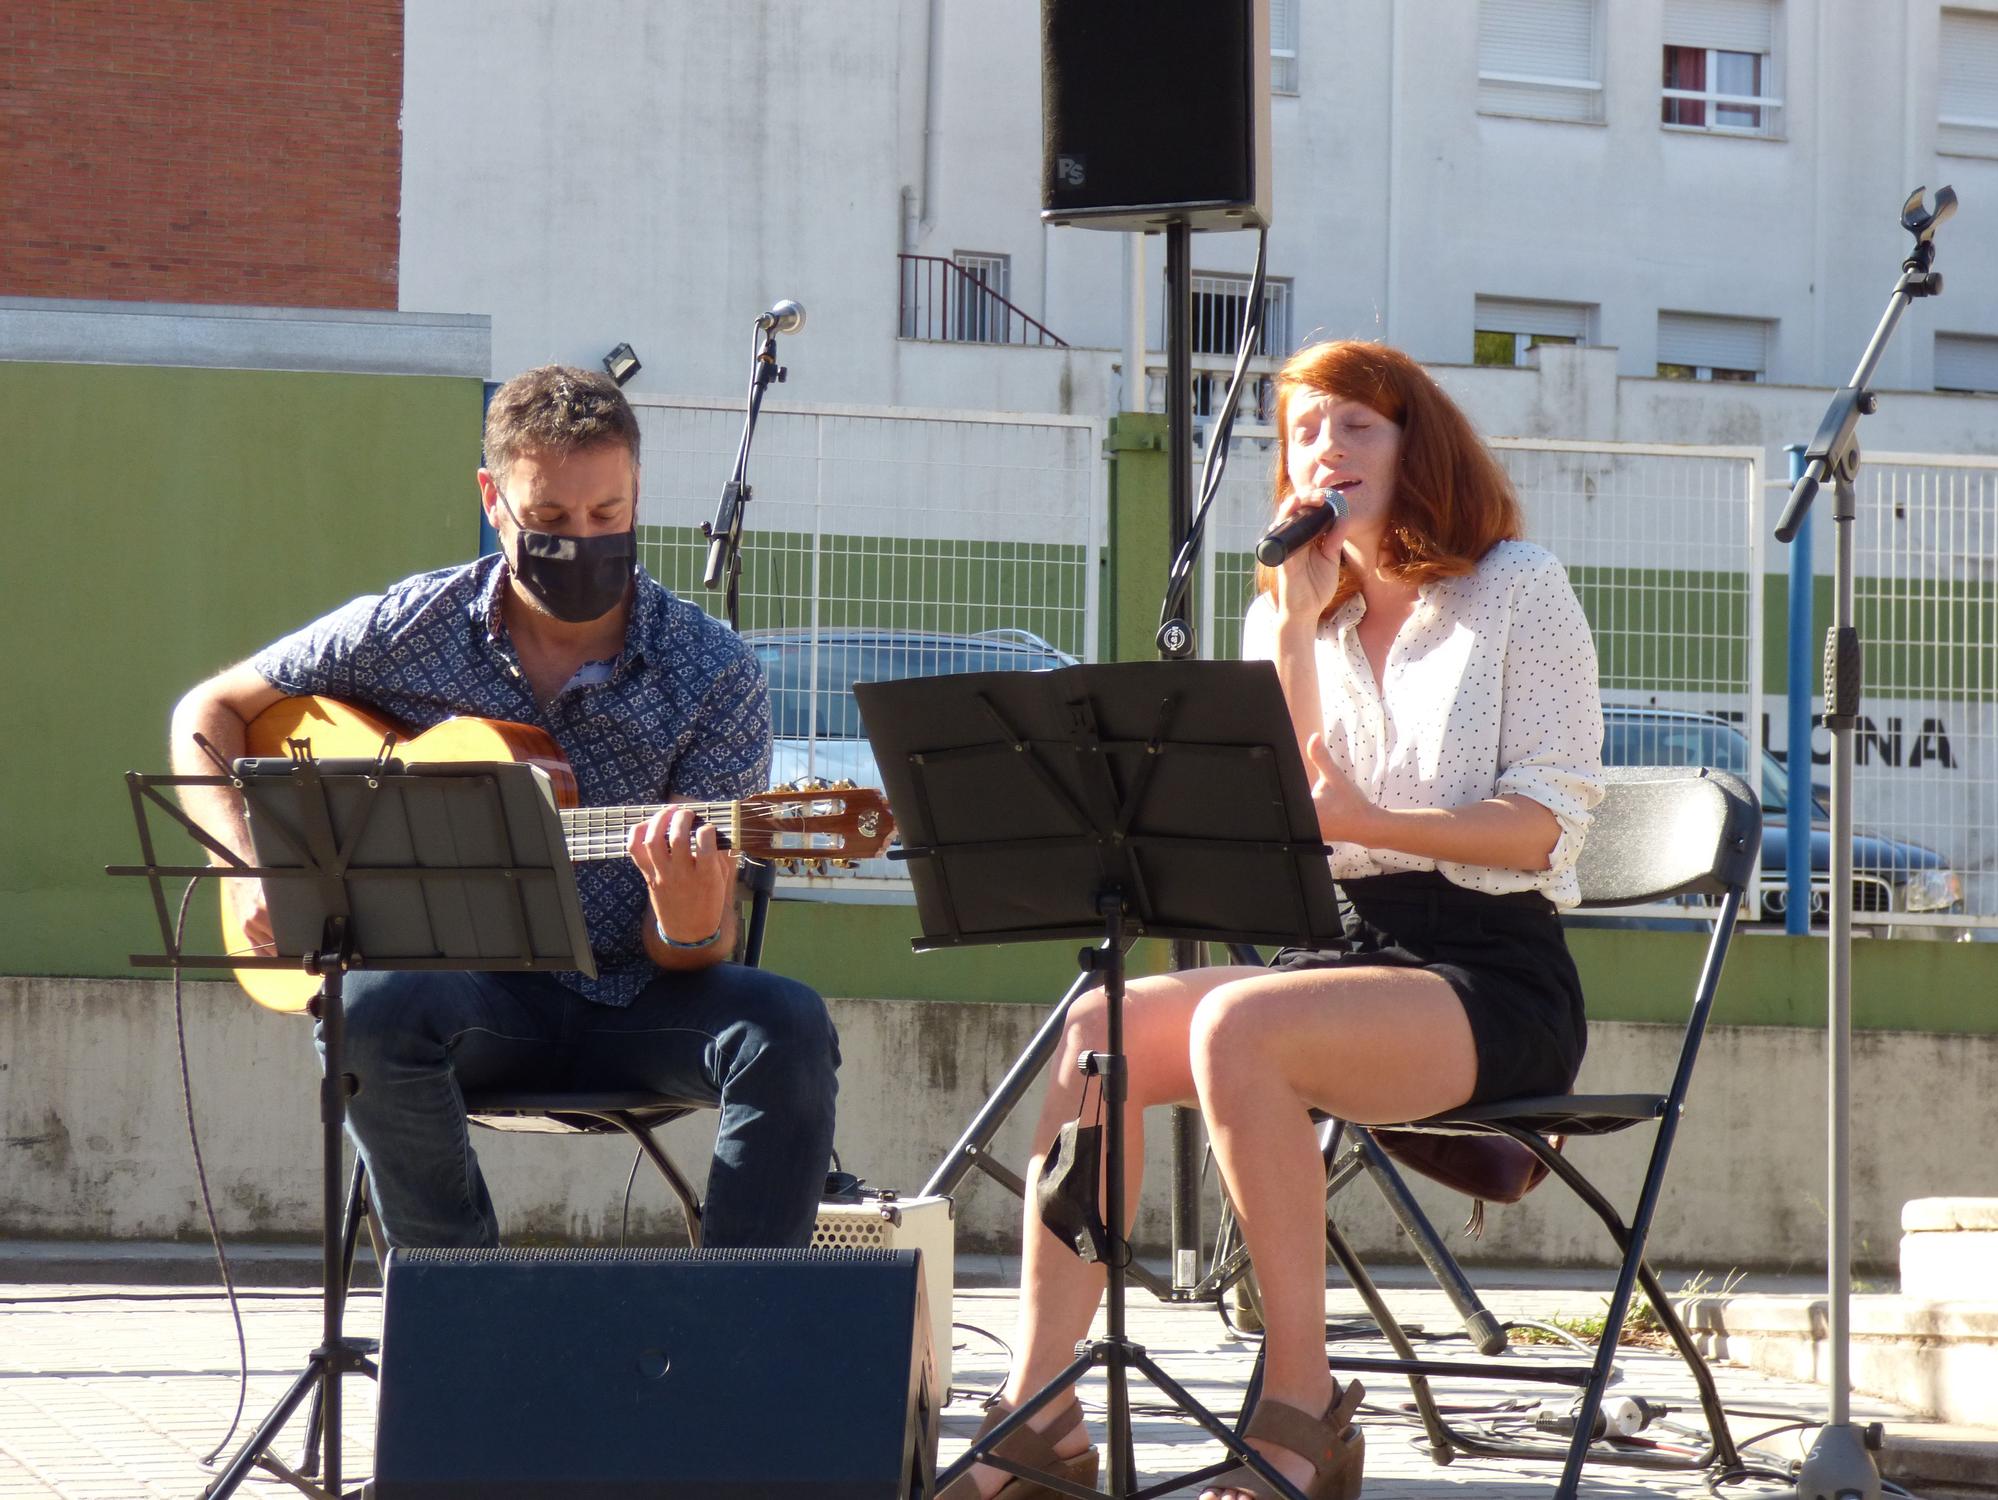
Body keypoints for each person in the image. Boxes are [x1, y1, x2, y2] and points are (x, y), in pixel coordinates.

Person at [942, 340, 1603, 1500]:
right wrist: (1295, 631)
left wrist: (1379, 816)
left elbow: (1547, 828)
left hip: (1484, 966)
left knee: (1237, 1028)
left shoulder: (1514, 587)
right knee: (1105, 1021)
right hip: (1331, 951)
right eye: (1302, 431)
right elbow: (1288, 821)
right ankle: (1042, 1412)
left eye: (1353, 425)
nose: (1324, 451)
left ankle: (1302, 1399)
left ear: (1415, 444)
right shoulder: (1293, 616)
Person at [169, 364, 839, 1251]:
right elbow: (206, 714)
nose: (584, 541)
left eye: (608, 517)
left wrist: (687, 917)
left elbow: (698, 949)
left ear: (637, 496)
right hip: (466, 997)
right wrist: (247, 863)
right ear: (494, 498)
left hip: (637, 1004)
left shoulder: (713, 672)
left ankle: (738, 1340)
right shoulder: (413, 626)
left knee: (785, 1023)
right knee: (364, 1008)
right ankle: (460, 1316)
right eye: (552, 520)